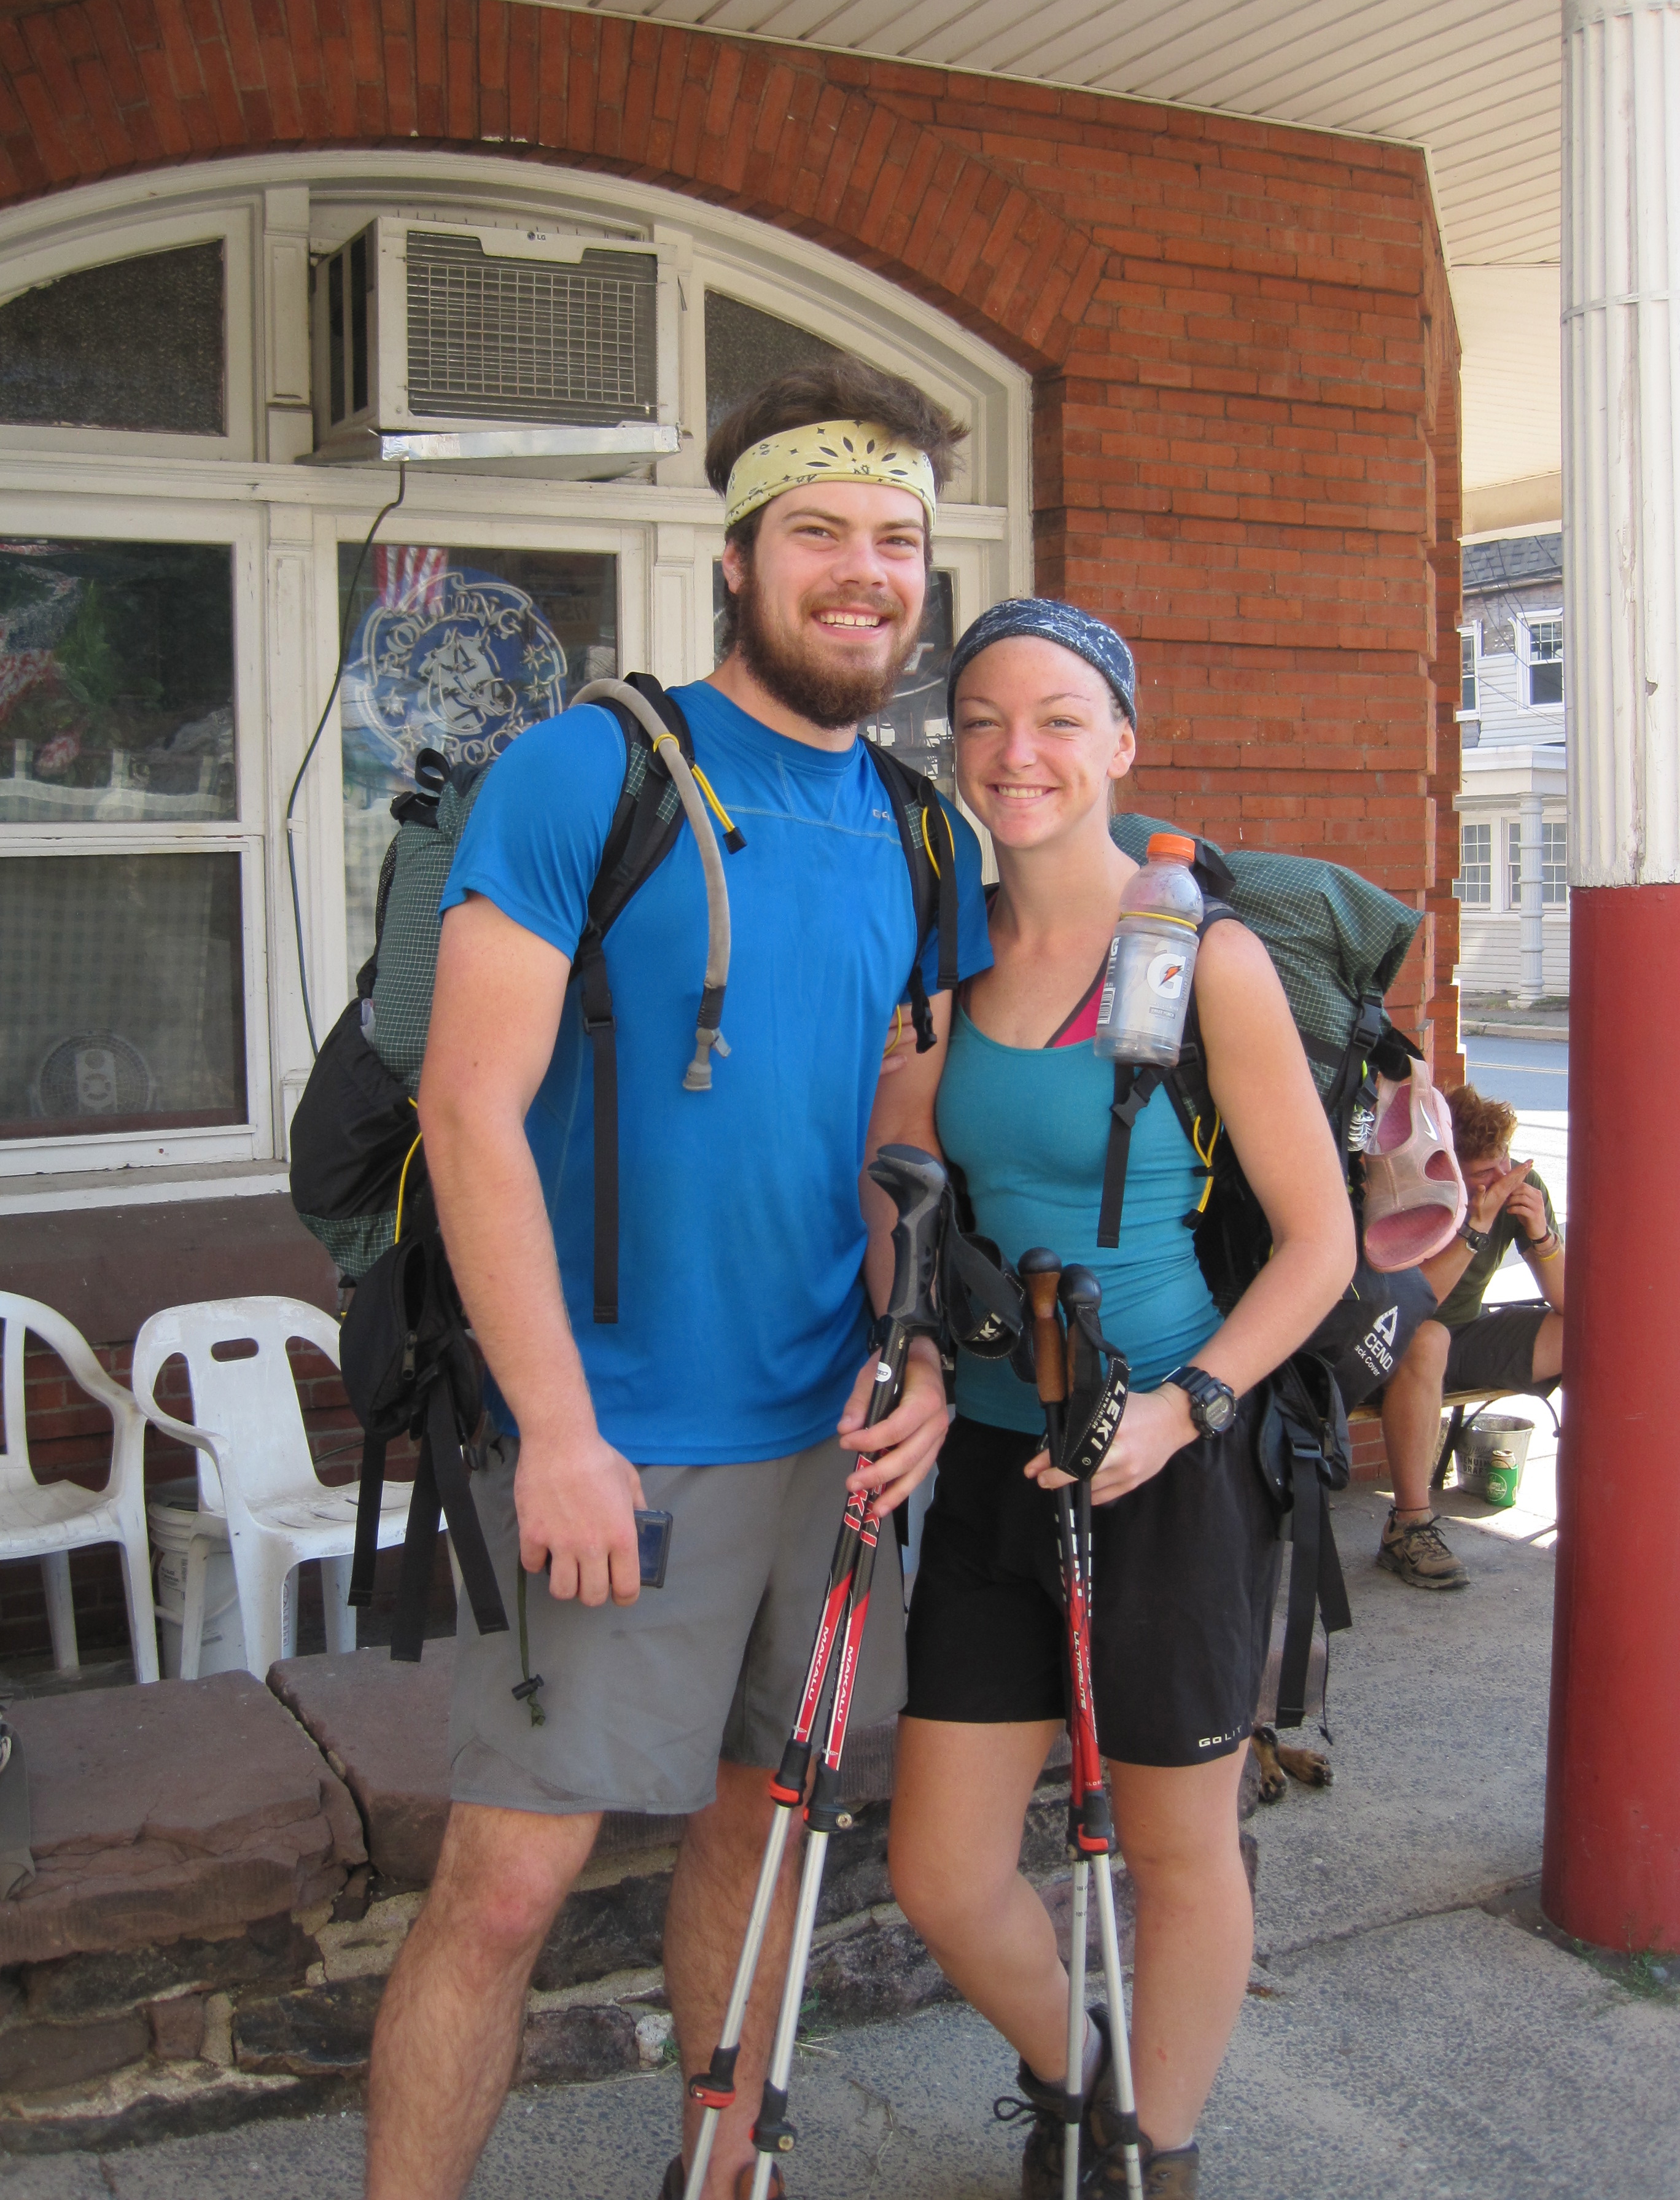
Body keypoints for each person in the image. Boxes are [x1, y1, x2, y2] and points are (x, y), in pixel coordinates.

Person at [364, 358, 992, 2200]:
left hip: (827, 1441)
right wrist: (556, 1431)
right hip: (617, 1434)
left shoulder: (922, 831)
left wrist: (918, 1351)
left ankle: (727, 2181)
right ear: (735, 558)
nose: (862, 572)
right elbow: (468, 1109)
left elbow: (898, 1128)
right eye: (819, 532)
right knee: (508, 1881)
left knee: (762, 1832)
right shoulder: (592, 771)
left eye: (895, 541)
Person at [885, 600, 1356, 2200]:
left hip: (1168, 1460)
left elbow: (1320, 1244)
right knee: (942, 1871)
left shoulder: (1202, 959)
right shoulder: (942, 959)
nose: (1018, 753)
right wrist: (924, 1356)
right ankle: (1084, 2083)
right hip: (993, 1458)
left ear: (1123, 746)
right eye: (985, 720)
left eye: (1060, 720)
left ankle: (1159, 2151)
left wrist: (1188, 1408)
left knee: (1174, 1848)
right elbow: (906, 1192)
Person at [1374, 1082, 1564, 1590]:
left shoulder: (1519, 1184)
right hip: (1390, 1342)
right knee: (1429, 1337)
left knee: (1593, 1332)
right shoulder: (1417, 1189)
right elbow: (1415, 1305)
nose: (1502, 1180)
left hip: (1465, 1339)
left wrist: (1542, 1234)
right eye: (1483, 1174)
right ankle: (1408, 1526)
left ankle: (1598, 1503)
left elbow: (1571, 1303)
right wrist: (1475, 1225)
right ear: (1449, 1169)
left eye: (1504, 1162)